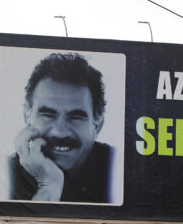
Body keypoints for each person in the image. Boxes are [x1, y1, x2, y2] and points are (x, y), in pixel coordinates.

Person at [7, 53, 115, 203]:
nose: (60, 131)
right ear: (27, 117)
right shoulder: (3, 174)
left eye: (76, 117)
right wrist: (48, 186)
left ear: (97, 126)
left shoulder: (118, 167)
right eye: (48, 115)